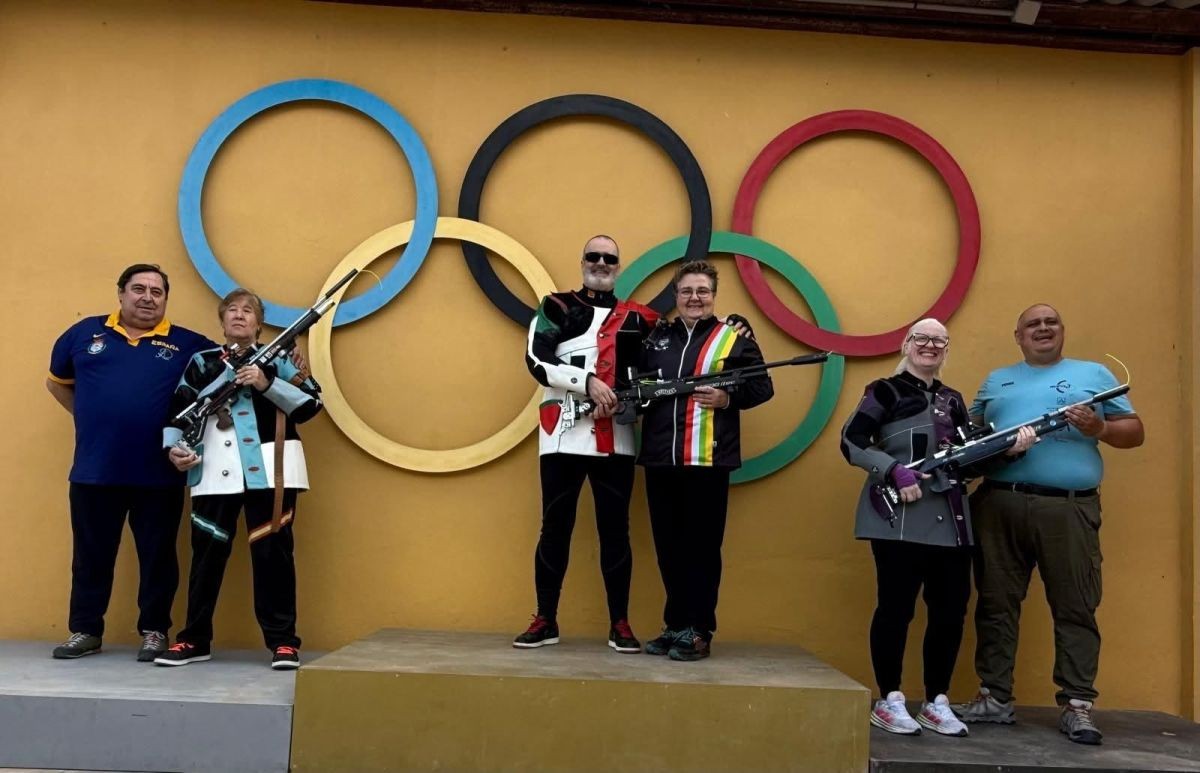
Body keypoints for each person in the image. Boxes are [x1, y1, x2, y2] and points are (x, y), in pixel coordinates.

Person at [954, 304, 1143, 746]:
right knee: (995, 603)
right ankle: (994, 697)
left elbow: (1134, 432)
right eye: (1033, 324)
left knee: (1075, 604)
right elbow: (968, 441)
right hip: (999, 505)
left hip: (1069, 509)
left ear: (1062, 331)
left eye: (1051, 322)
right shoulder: (995, 380)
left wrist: (1097, 428)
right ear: (1017, 336)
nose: (1043, 329)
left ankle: (1077, 705)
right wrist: (999, 450)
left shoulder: (1094, 375)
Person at [841, 318, 1035, 736]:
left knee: (950, 611)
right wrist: (893, 470)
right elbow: (852, 441)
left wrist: (1011, 451)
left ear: (946, 351)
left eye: (940, 341)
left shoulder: (953, 400)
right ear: (907, 345)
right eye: (923, 339)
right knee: (896, 608)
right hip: (897, 519)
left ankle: (936, 700)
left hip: (952, 522)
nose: (930, 346)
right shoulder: (884, 391)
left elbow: (968, 461)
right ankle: (889, 698)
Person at [46, 264, 214, 661]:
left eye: (157, 292)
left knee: (157, 557)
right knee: (91, 554)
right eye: (139, 289)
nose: (147, 298)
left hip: (157, 474)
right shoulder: (83, 334)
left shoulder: (187, 343)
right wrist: (92, 419)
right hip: (94, 469)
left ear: (165, 300)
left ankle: (155, 630)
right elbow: (57, 383)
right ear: (121, 293)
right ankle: (85, 630)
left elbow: (233, 359)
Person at [155, 288, 321, 670]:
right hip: (213, 469)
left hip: (272, 470)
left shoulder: (280, 360)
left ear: (259, 323)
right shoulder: (202, 362)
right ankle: (194, 639)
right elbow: (178, 412)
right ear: (222, 319)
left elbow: (312, 404)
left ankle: (283, 643)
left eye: (248, 310)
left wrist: (266, 383)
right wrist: (174, 450)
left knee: (274, 555)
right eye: (232, 309)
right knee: (206, 556)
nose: (239, 315)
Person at [514, 235, 659, 652]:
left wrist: (630, 398)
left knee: (616, 532)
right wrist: (588, 382)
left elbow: (661, 367)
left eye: (609, 258)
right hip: (561, 433)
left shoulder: (639, 319)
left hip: (616, 437)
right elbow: (537, 361)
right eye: (593, 256)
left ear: (618, 266)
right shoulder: (556, 306)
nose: (601, 262)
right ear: (582, 261)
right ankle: (545, 618)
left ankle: (620, 623)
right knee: (554, 528)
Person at [636, 260, 773, 662]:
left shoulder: (734, 337)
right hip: (661, 458)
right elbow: (637, 385)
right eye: (687, 291)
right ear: (676, 296)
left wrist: (729, 398)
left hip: (708, 461)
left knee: (702, 549)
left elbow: (763, 386)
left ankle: (699, 629)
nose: (695, 298)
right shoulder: (656, 339)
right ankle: (675, 624)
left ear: (713, 296)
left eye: (702, 291)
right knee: (668, 548)